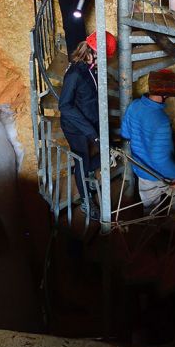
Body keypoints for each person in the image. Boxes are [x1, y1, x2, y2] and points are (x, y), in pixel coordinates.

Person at [59, 31, 117, 215]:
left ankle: (84, 172)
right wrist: (92, 133)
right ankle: (86, 202)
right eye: (103, 57)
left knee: (107, 152)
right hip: (75, 128)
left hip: (89, 120)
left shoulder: (90, 68)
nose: (104, 61)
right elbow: (65, 107)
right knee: (82, 161)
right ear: (92, 53)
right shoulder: (75, 74)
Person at [120, 86, 175, 214]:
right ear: (166, 93)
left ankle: (152, 230)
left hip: (141, 170)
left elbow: (125, 135)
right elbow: (160, 158)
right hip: (159, 173)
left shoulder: (134, 105)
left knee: (150, 211)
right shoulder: (161, 119)